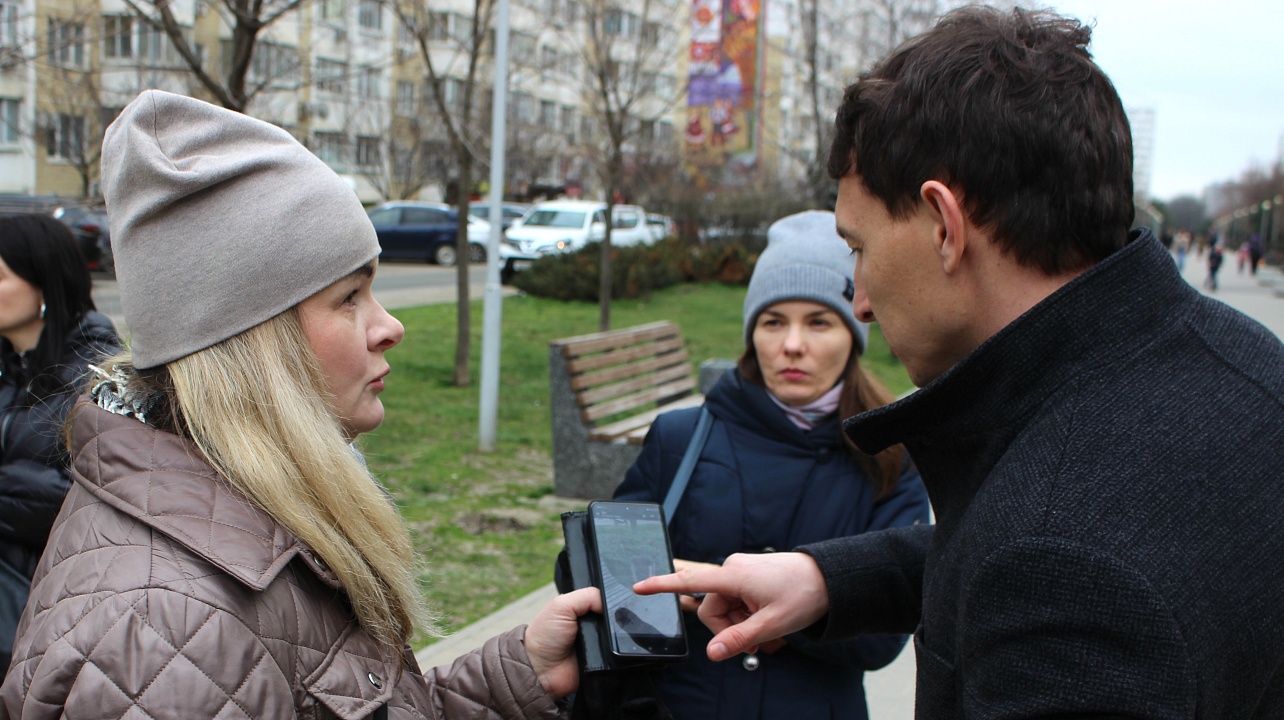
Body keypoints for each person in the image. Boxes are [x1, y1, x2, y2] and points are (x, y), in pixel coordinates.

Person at [637, 7, 1284, 718]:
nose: (861, 302)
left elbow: (1046, 560)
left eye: (859, 249)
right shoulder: (1242, 364)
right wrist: (829, 579)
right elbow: (1034, 547)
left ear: (945, 226)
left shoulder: (1063, 555)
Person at [0, 90, 599, 718]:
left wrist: (519, 674)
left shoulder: (247, 512)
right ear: (254, 344)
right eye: (349, 297)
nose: (390, 326)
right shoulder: (162, 633)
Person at [613, 210, 929, 720]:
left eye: (819, 321)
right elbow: (588, 570)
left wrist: (761, 603)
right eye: (773, 321)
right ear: (752, 332)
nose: (792, 345)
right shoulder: (679, 437)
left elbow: (884, 635)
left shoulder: (890, 455)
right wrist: (668, 584)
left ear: (853, 333)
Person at [0, 215, 119, 671]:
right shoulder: (12, 363)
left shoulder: (96, 375)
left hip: (53, 614)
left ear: (44, 283)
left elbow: (87, 499)